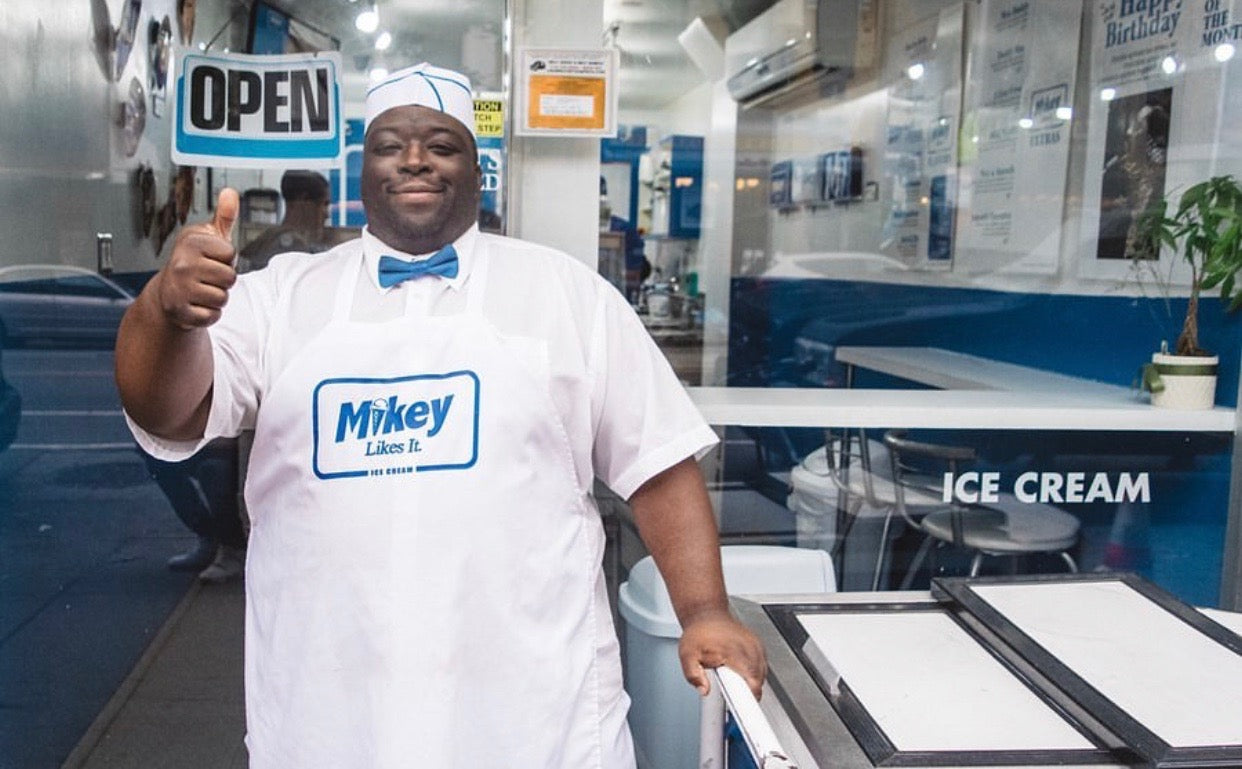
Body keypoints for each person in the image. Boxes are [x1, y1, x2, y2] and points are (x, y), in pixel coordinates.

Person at [115, 62, 764, 768]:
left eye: (441, 144)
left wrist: (704, 610)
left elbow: (658, 464)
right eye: (391, 145)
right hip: (328, 711)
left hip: (534, 717)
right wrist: (167, 313)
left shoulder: (567, 294)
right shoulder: (280, 298)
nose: (415, 159)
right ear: (363, 168)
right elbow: (168, 412)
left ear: (476, 167)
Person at [237, 169, 332, 271]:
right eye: (323, 204)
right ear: (303, 200)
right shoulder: (292, 247)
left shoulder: (267, 238)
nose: (327, 214)